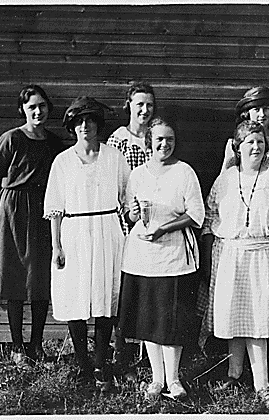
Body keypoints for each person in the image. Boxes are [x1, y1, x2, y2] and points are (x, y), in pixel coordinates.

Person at [199, 120, 269, 413]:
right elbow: (209, 220)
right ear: (237, 147)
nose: (256, 147)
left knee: (257, 319)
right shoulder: (225, 180)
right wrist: (208, 262)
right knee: (233, 317)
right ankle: (234, 374)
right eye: (249, 142)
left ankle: (262, 384)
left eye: (259, 142)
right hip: (229, 256)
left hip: (263, 256)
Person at [43, 96, 131, 393]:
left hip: (107, 230)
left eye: (90, 120)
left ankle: (101, 362)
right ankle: (82, 364)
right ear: (72, 127)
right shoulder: (63, 162)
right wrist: (57, 247)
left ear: (98, 124)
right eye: (79, 122)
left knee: (105, 298)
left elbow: (127, 197)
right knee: (76, 297)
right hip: (75, 232)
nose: (85, 126)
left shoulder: (114, 158)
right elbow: (54, 208)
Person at [118, 117, 205, 400]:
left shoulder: (184, 172)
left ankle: (174, 379)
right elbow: (131, 218)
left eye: (169, 139)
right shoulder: (138, 175)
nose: (164, 144)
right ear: (148, 143)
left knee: (172, 321)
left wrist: (164, 228)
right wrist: (133, 212)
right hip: (142, 256)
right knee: (148, 319)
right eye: (159, 140)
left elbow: (196, 214)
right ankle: (156, 379)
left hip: (174, 256)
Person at [0, 85, 65, 367]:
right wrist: (7, 207)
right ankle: (17, 347)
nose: (38, 111)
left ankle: (36, 345)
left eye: (42, 106)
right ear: (23, 110)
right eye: (32, 107)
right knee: (15, 278)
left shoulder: (55, 143)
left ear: (48, 108)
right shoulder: (11, 139)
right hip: (13, 212)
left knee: (40, 279)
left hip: (42, 212)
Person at [106, 81, 156, 375]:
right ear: (129, 106)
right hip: (124, 218)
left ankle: (147, 350)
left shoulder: (156, 137)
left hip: (150, 219)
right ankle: (120, 347)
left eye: (149, 105)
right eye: (139, 104)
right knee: (123, 284)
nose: (145, 110)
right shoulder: (118, 140)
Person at [220, 86, 269, 197]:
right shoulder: (235, 144)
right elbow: (224, 182)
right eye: (256, 110)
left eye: (266, 109)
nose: (262, 114)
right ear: (247, 113)